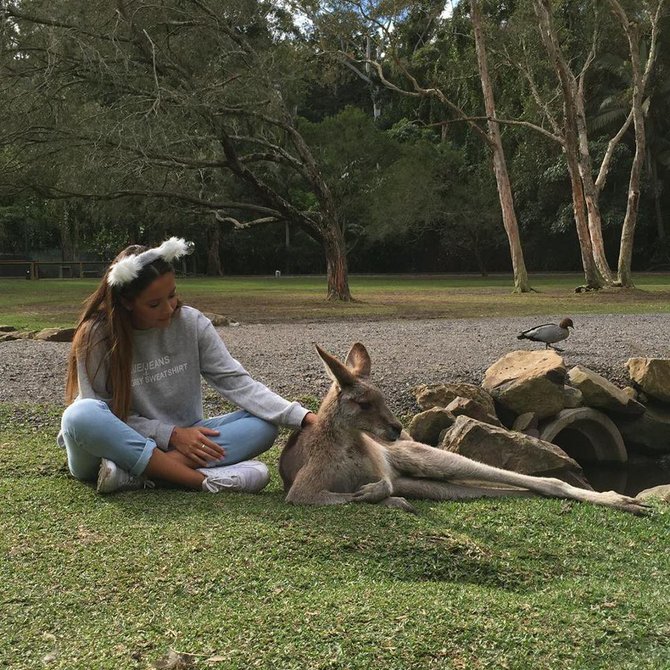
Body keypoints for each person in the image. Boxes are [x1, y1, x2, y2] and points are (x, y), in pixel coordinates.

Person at [58, 237, 317, 494]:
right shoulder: (96, 336)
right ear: (126, 302)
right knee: (80, 415)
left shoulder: (191, 323)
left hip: (180, 445)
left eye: (171, 295)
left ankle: (136, 476)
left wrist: (304, 418)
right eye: (154, 304)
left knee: (262, 425)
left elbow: (237, 382)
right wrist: (170, 434)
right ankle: (197, 480)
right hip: (110, 449)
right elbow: (106, 415)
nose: (169, 309)